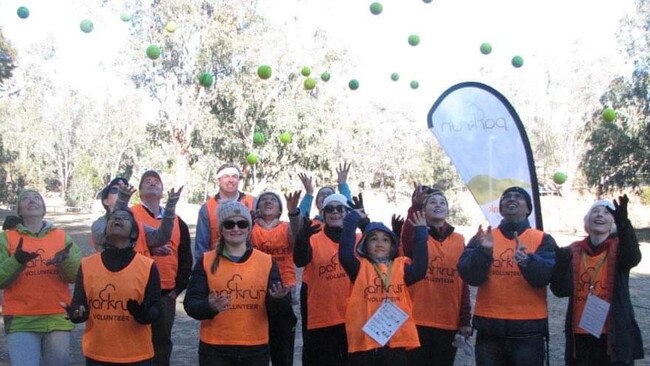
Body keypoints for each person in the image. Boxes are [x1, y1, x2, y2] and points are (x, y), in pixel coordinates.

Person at [184, 201, 293, 366]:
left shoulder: (266, 262)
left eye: (242, 224)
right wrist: (209, 306)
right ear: (221, 229)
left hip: (255, 347)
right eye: (229, 224)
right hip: (215, 348)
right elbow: (191, 304)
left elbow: (278, 312)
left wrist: (279, 300)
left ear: (249, 228)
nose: (236, 229)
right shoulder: (206, 260)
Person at [457, 186, 557, 366]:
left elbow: (545, 276)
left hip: (528, 331)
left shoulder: (543, 239)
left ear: (528, 209)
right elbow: (468, 275)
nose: (511, 199)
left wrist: (527, 261)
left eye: (518, 197)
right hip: (489, 329)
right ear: (501, 208)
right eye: (506, 197)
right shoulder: (484, 237)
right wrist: (483, 253)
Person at [550, 196, 644, 365]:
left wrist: (624, 224)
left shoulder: (620, 248)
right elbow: (560, 291)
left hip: (613, 333)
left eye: (607, 212)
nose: (600, 215)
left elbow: (633, 257)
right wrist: (560, 266)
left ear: (613, 221)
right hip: (580, 333)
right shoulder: (572, 250)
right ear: (587, 221)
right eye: (595, 211)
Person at [64, 208, 162, 365]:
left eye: (124, 218)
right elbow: (79, 304)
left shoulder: (147, 266)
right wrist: (76, 313)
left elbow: (156, 309)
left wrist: (143, 314)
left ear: (134, 233)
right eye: (113, 217)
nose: (118, 219)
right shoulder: (87, 264)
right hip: (97, 354)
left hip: (136, 355)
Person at [338, 201, 428, 366]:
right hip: (364, 344)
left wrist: (421, 233)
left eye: (385, 240)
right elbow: (344, 255)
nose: (379, 243)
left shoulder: (401, 267)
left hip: (395, 342)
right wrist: (352, 219)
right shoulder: (359, 267)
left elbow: (421, 269)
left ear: (392, 246)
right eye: (373, 239)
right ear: (364, 245)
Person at [0, 189, 82, 366]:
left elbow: (75, 276)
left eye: (36, 198)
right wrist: (17, 261)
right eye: (25, 199)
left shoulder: (61, 236)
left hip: (57, 316)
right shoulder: (6, 238)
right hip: (20, 319)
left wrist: (64, 260)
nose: (31, 200)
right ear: (19, 211)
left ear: (43, 208)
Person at [402, 188, 473, 366]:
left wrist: (465, 319)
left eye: (442, 202)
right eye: (432, 202)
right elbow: (407, 238)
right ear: (424, 210)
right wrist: (416, 206)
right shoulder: (417, 235)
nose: (438, 205)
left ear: (448, 210)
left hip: (448, 321)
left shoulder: (459, 239)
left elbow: (462, 282)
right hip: (417, 319)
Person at [131, 170, 192, 366]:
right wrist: (151, 246)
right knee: (132, 339)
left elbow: (185, 257)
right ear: (139, 191)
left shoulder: (176, 219)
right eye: (147, 181)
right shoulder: (130, 215)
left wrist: (177, 290)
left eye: (156, 181)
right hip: (134, 289)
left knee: (161, 342)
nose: (152, 183)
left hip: (166, 292)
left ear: (163, 190)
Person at [293, 193, 357, 366]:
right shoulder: (314, 238)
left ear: (347, 212)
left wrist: (364, 222)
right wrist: (302, 238)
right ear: (323, 213)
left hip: (353, 315)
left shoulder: (358, 239)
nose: (335, 212)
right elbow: (299, 260)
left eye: (340, 208)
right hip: (322, 316)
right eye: (329, 209)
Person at [250, 191, 302, 366]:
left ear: (280, 209)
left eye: (273, 199)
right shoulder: (250, 228)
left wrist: (293, 213)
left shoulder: (286, 226)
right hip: (255, 288)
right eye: (263, 199)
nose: (268, 201)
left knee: (282, 344)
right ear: (256, 209)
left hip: (284, 287)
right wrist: (248, 222)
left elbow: (298, 240)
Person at [194, 163, 255, 264]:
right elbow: (201, 245)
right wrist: (203, 270)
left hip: (250, 264)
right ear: (218, 180)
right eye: (226, 176)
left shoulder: (253, 202)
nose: (231, 180)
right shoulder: (207, 208)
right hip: (217, 264)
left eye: (235, 176)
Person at [91, 177, 129, 252]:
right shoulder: (98, 225)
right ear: (106, 201)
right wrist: (122, 203)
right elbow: (114, 239)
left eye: (123, 189)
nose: (120, 192)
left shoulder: (138, 220)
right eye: (115, 190)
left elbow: (156, 237)